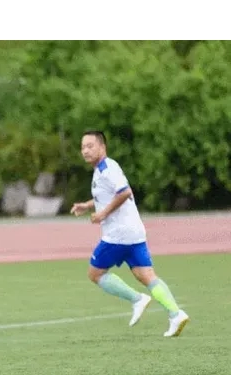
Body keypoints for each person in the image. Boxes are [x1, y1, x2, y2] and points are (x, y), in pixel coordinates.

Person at [70, 130, 190, 337]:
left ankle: (137, 299)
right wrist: (88, 205)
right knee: (146, 275)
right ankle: (176, 314)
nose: (85, 151)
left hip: (118, 235)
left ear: (102, 147)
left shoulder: (108, 168)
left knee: (95, 274)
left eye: (90, 146)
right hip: (134, 232)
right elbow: (108, 195)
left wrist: (102, 214)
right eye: (83, 147)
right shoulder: (101, 170)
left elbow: (124, 192)